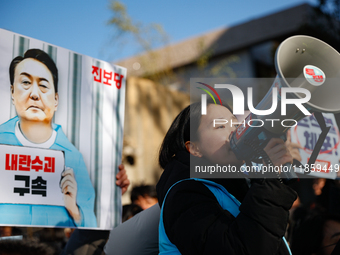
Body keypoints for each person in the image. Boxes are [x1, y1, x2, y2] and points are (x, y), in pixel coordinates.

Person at [156, 102, 297, 254]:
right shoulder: (183, 195)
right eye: (221, 126)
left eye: (236, 125)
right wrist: (269, 181)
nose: (234, 132)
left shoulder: (238, 186)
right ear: (195, 148)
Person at [0, 49, 95, 227]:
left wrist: (74, 209)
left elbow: (92, 224)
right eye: (26, 82)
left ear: (56, 100)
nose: (35, 94)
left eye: (43, 85)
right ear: (12, 92)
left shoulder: (73, 158)